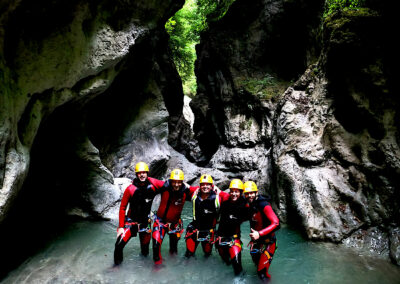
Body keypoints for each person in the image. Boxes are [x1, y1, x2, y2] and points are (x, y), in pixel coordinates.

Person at [114, 162, 165, 265]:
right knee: (118, 246)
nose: (142, 175)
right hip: (131, 222)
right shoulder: (130, 189)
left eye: (144, 173)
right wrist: (120, 227)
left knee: (145, 252)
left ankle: (144, 270)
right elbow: (122, 208)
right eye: (139, 173)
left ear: (147, 173)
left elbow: (168, 186)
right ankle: (116, 268)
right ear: (136, 174)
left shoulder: (153, 187)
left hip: (145, 223)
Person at [152, 169, 197, 265]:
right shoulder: (164, 186)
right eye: (174, 182)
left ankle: (173, 265)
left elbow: (202, 188)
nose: (176, 184)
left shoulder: (186, 191)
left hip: (175, 224)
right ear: (171, 181)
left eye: (179, 182)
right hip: (161, 222)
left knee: (173, 248)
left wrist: (215, 188)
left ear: (182, 182)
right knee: (156, 246)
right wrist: (136, 181)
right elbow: (151, 180)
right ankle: (158, 267)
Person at [184, 174, 228, 257]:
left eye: (207, 184)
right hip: (194, 229)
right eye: (203, 184)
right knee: (188, 255)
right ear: (199, 186)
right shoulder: (194, 195)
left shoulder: (217, 199)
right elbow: (184, 186)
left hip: (208, 231)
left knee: (207, 255)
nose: (205, 186)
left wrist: (219, 191)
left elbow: (231, 198)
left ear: (212, 186)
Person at [243, 181, 280, 280]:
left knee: (262, 274)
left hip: (268, 242)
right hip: (256, 242)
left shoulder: (263, 204)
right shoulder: (250, 203)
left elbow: (276, 223)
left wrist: (259, 233)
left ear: (256, 192)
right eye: (247, 193)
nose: (249, 195)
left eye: (251, 193)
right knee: (257, 266)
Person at [215, 179, 247, 275]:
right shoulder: (225, 201)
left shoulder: (245, 205)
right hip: (221, 238)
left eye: (236, 192)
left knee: (237, 266)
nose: (234, 194)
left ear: (241, 193)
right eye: (232, 191)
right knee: (226, 262)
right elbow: (217, 191)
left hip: (234, 239)